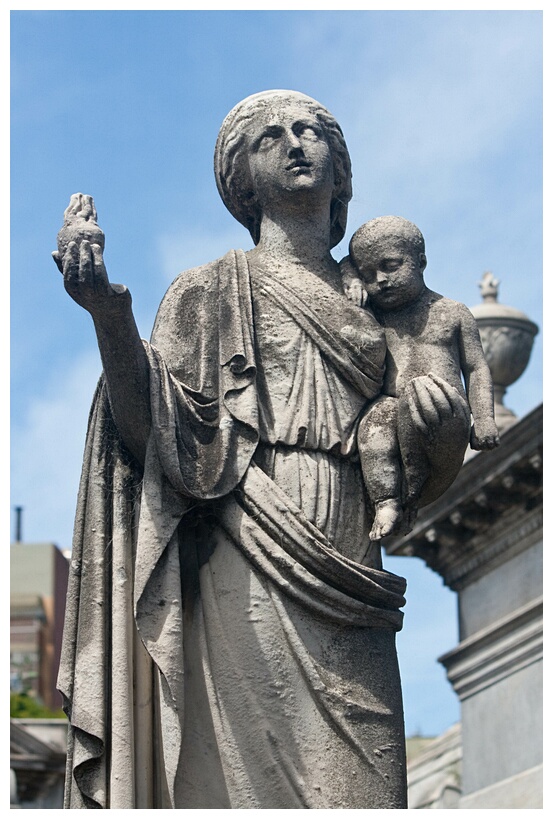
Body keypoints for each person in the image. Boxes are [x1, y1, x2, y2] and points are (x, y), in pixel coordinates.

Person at [53, 92, 463, 809]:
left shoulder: (386, 300)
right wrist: (108, 316)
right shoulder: (208, 291)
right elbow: (153, 433)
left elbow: (425, 468)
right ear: (241, 178)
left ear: (340, 168)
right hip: (245, 552)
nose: (295, 143)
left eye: (310, 131)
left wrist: (438, 421)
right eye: (269, 137)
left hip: (351, 570)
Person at [342, 215, 500, 540]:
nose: (380, 280)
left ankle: (408, 493)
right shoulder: (375, 314)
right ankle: (386, 500)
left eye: (391, 266)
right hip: (394, 409)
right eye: (369, 275)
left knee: (422, 393)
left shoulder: (451, 312)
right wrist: (350, 278)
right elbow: (339, 265)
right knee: (375, 422)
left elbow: (476, 367)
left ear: (420, 262)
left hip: (446, 409)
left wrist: (483, 420)